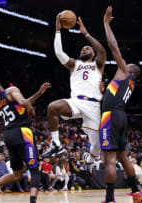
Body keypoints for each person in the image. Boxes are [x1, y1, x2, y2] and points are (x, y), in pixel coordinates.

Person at [42, 10, 106, 164]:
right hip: (75, 102)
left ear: (92, 53)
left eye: (87, 48)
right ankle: (56, 143)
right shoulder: (73, 64)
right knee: (53, 108)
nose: (84, 49)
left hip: (92, 105)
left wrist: (86, 34)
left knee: (97, 146)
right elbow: (59, 52)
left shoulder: (97, 65)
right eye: (82, 48)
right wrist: (58, 30)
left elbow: (102, 51)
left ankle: (90, 158)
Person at [0, 81, 51, 203]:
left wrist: (34, 98)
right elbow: (24, 103)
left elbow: (20, 105)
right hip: (22, 133)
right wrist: (33, 103)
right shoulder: (10, 90)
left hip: (9, 135)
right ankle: (32, 201)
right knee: (35, 170)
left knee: (17, 174)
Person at [101, 6, 142, 203]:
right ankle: (137, 192)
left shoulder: (124, 71)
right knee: (122, 157)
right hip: (121, 116)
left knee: (109, 159)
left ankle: (110, 199)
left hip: (110, 116)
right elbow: (114, 94)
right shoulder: (130, 83)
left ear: (130, 69)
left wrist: (106, 24)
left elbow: (113, 46)